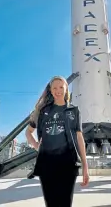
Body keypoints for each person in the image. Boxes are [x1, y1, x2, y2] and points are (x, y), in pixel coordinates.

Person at [25, 75, 89, 207]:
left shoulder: (73, 110)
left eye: (61, 87)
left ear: (66, 89)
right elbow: (28, 132)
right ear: (50, 90)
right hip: (47, 163)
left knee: (65, 203)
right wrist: (37, 145)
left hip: (68, 163)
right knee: (51, 203)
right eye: (54, 88)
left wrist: (85, 166)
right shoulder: (43, 111)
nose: (58, 90)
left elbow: (79, 137)